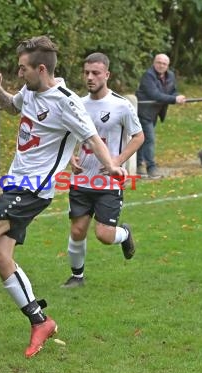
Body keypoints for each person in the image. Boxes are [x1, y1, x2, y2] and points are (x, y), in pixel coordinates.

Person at [0, 36, 124, 358]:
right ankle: (40, 321)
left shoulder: (66, 102)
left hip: (33, 188)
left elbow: (91, 136)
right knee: (2, 256)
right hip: (15, 183)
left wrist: (111, 166)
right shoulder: (30, 91)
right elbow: (11, 107)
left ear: (41, 68)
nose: (19, 74)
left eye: (23, 69)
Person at [61, 53, 144, 288]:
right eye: (86, 72)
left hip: (108, 182)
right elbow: (69, 136)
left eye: (95, 73)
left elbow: (138, 137)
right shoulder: (78, 103)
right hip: (82, 180)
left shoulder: (121, 105)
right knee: (77, 231)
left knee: (104, 235)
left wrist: (116, 161)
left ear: (107, 75)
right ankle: (77, 277)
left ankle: (125, 234)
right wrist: (71, 156)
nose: (90, 77)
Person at [135, 54, 187, 179]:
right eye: (159, 62)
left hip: (154, 113)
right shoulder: (148, 76)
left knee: (142, 140)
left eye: (164, 63)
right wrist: (174, 99)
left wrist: (178, 96)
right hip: (143, 112)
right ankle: (151, 167)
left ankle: (138, 164)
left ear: (167, 65)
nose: (161, 65)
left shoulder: (170, 76)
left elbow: (173, 90)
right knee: (149, 139)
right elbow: (155, 95)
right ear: (154, 63)